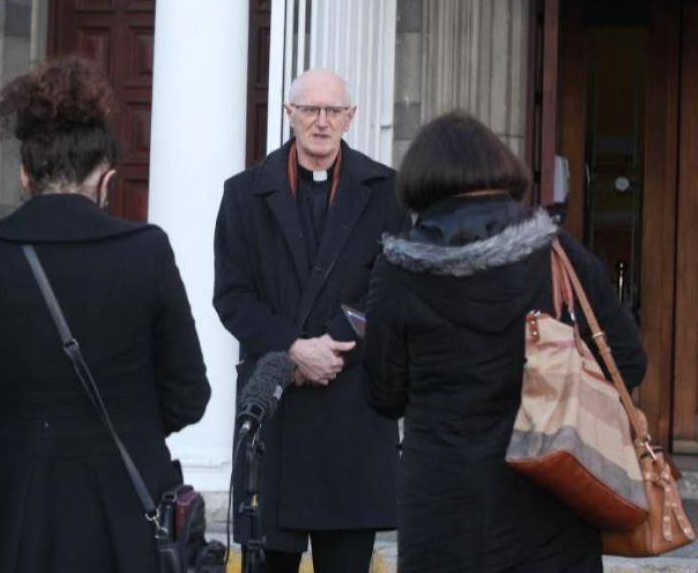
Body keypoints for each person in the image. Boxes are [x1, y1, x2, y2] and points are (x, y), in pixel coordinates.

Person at [0, 58, 211, 573]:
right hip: (128, 519)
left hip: (12, 514)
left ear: (24, 175)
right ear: (106, 179)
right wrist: (124, 428)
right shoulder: (147, 251)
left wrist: (27, 431)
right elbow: (189, 395)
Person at [363, 111, 648, 573]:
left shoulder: (397, 270)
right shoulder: (558, 253)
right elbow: (629, 363)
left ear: (421, 181)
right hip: (554, 490)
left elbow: (383, 395)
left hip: (444, 504)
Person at [213, 68, 409, 572]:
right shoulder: (243, 194)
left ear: (351, 118)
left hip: (352, 412)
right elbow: (232, 296)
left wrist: (333, 347)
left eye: (333, 111)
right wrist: (294, 349)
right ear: (289, 114)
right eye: (309, 110)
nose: (321, 122)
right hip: (275, 414)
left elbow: (390, 291)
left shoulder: (387, 191)